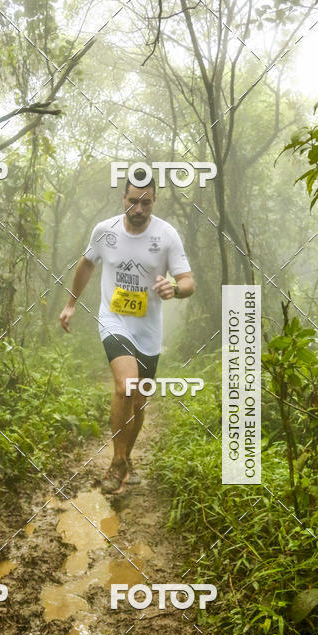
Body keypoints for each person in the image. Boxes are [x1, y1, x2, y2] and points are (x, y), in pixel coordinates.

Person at [59, 173, 195, 494]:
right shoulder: (105, 232)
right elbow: (86, 264)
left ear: (154, 202)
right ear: (123, 198)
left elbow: (188, 281)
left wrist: (174, 288)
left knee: (138, 400)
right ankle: (117, 464)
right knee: (126, 385)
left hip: (148, 330)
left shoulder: (167, 235)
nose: (138, 208)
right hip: (113, 320)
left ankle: (125, 459)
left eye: (145, 202)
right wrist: (71, 304)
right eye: (133, 201)